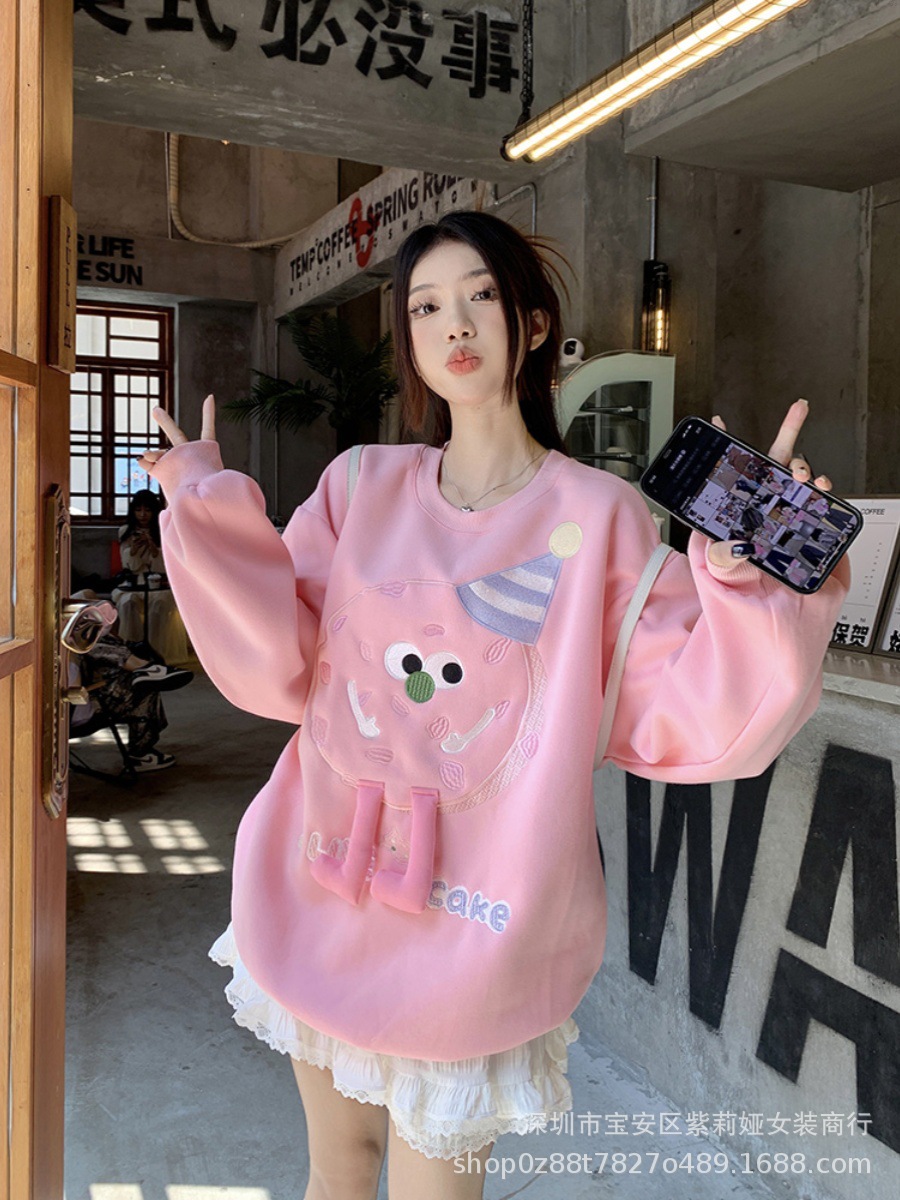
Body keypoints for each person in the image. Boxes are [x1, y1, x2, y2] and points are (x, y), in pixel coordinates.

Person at [136, 210, 849, 1200]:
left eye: (480, 296)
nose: (456, 325)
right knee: (335, 1171)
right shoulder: (361, 484)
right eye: (426, 307)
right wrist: (204, 506)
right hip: (324, 880)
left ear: (534, 322)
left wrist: (751, 583)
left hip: (480, 926)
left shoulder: (599, 516)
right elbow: (280, 655)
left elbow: (688, 707)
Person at [68, 590, 194, 772]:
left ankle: (143, 669)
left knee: (87, 603)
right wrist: (75, 652)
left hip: (87, 694)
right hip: (78, 711)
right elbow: (74, 693)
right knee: (143, 687)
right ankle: (140, 753)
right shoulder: (65, 654)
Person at [111, 488, 191, 666]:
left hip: (159, 583)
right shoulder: (125, 531)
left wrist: (154, 548)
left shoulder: (164, 530)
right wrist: (134, 550)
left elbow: (166, 565)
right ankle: (132, 652)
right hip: (133, 583)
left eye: (147, 510)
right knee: (128, 603)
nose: (143, 515)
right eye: (138, 510)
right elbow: (129, 566)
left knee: (160, 604)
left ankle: (157, 653)